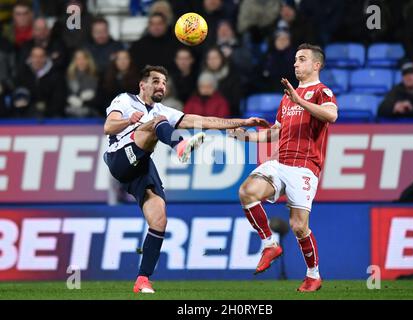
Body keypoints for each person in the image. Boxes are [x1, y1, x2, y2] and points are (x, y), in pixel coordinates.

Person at [103, 65, 269, 294]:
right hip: (119, 157)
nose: (161, 85)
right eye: (155, 81)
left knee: (159, 218)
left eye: (163, 82)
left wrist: (242, 122)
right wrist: (129, 120)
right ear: (142, 85)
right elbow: (108, 127)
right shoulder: (125, 100)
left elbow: (204, 120)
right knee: (156, 122)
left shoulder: (163, 110)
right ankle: (179, 146)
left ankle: (142, 280)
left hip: (141, 166)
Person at [228, 43, 338, 292]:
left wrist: (299, 99)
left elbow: (331, 116)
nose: (296, 64)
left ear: (316, 65)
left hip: (305, 166)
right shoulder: (287, 98)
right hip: (281, 161)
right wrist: (245, 137)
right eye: (296, 60)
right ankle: (269, 244)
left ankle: (313, 275)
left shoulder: (323, 92)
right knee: (247, 192)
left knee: (299, 226)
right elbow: (275, 132)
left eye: (302, 59)